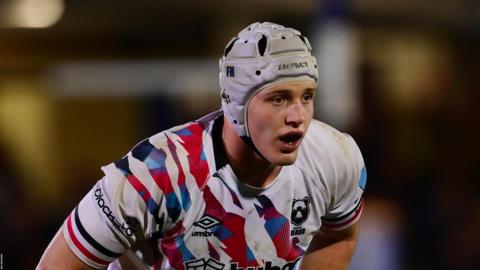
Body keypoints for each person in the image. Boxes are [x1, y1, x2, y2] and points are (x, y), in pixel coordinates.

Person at [37, 22, 367, 270]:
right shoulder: (156, 171)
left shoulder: (335, 157)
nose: (298, 116)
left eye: (306, 97)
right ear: (235, 104)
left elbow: (340, 236)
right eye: (278, 99)